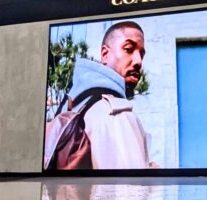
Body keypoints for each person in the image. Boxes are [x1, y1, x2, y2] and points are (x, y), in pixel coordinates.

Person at [45, 21, 155, 170]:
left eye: (141, 54)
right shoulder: (116, 112)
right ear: (105, 54)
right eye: (129, 49)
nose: (138, 62)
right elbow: (130, 190)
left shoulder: (74, 106)